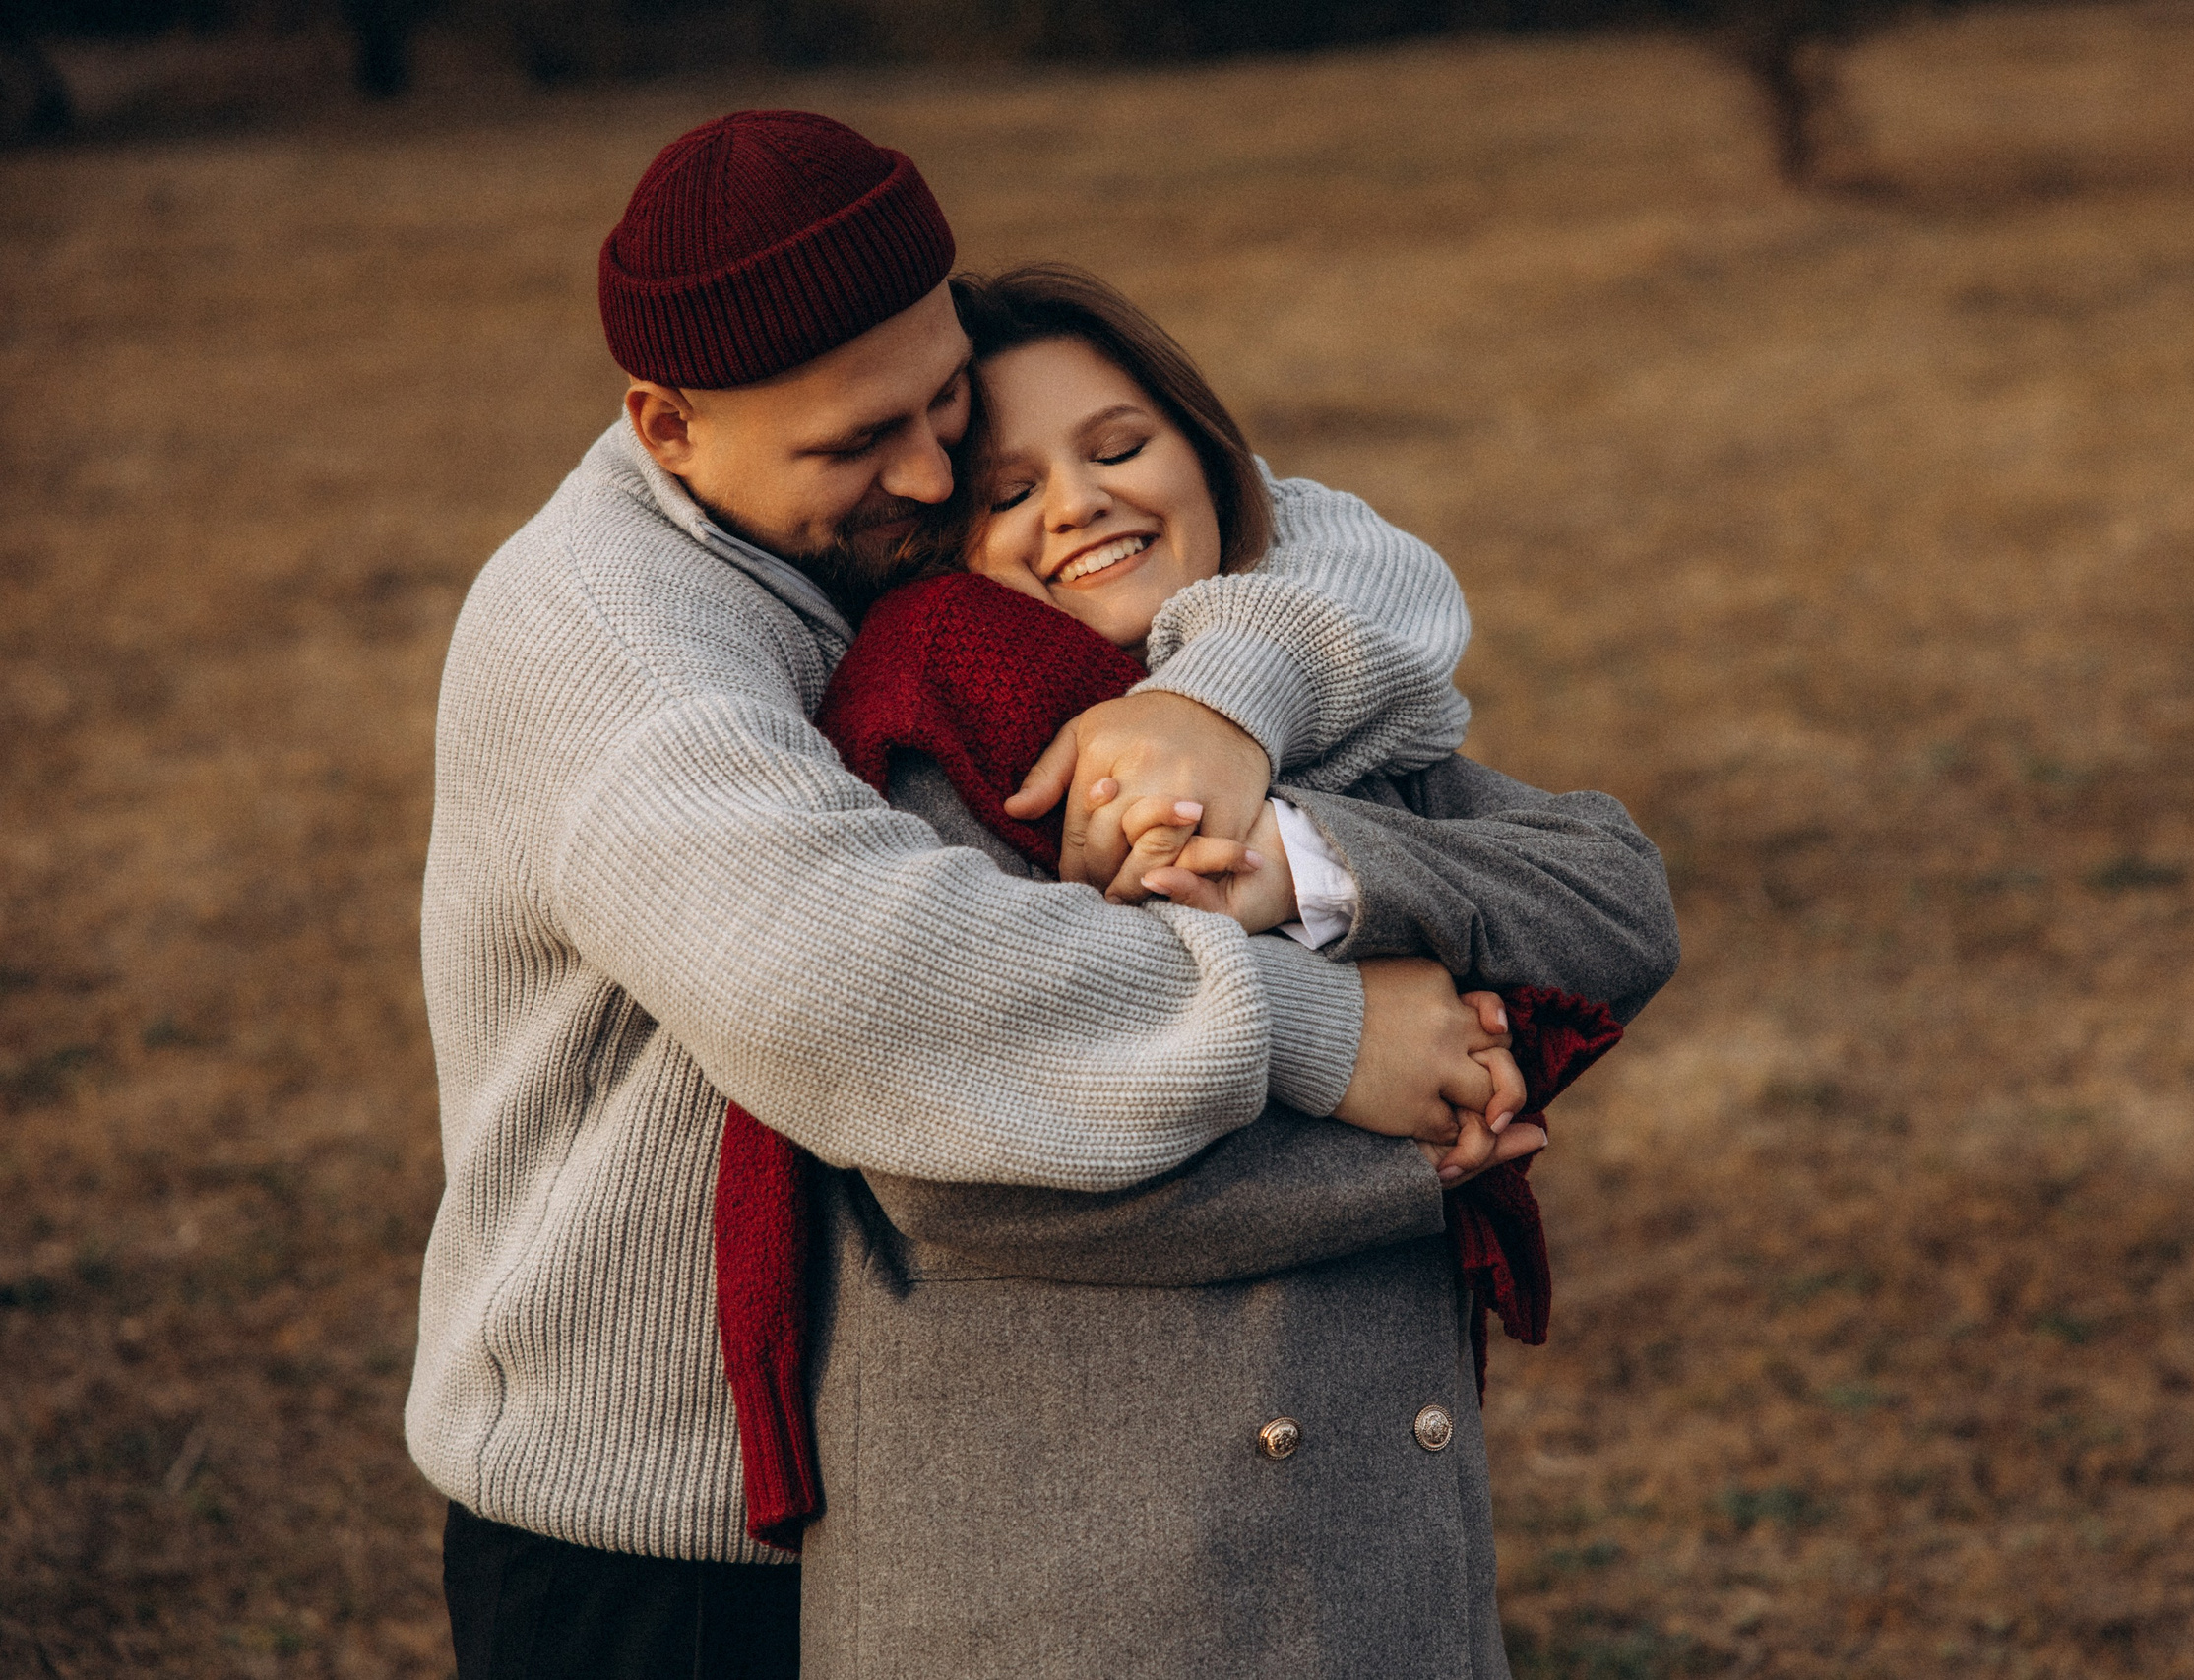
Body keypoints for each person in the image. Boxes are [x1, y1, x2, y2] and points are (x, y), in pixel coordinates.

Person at [410, 111, 1528, 1680]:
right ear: (667, 428)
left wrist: (1221, 698)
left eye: (943, 400)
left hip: (907, 1490)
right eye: (857, 443)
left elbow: (1338, 547)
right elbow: (846, 977)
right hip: (657, 1532)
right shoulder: (610, 641)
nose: (931, 474)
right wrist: (1314, 1028)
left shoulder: (864, 506)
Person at [759, 266, 1680, 1679]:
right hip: (1076, 1593)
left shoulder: (1308, 700)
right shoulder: (938, 728)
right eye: (1009, 491)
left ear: (1205, 454)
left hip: (1380, 1574)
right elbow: (956, 1165)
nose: (1078, 504)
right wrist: (1418, 1151)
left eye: (1119, 446)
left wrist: (1300, 861)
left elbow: (1616, 896)